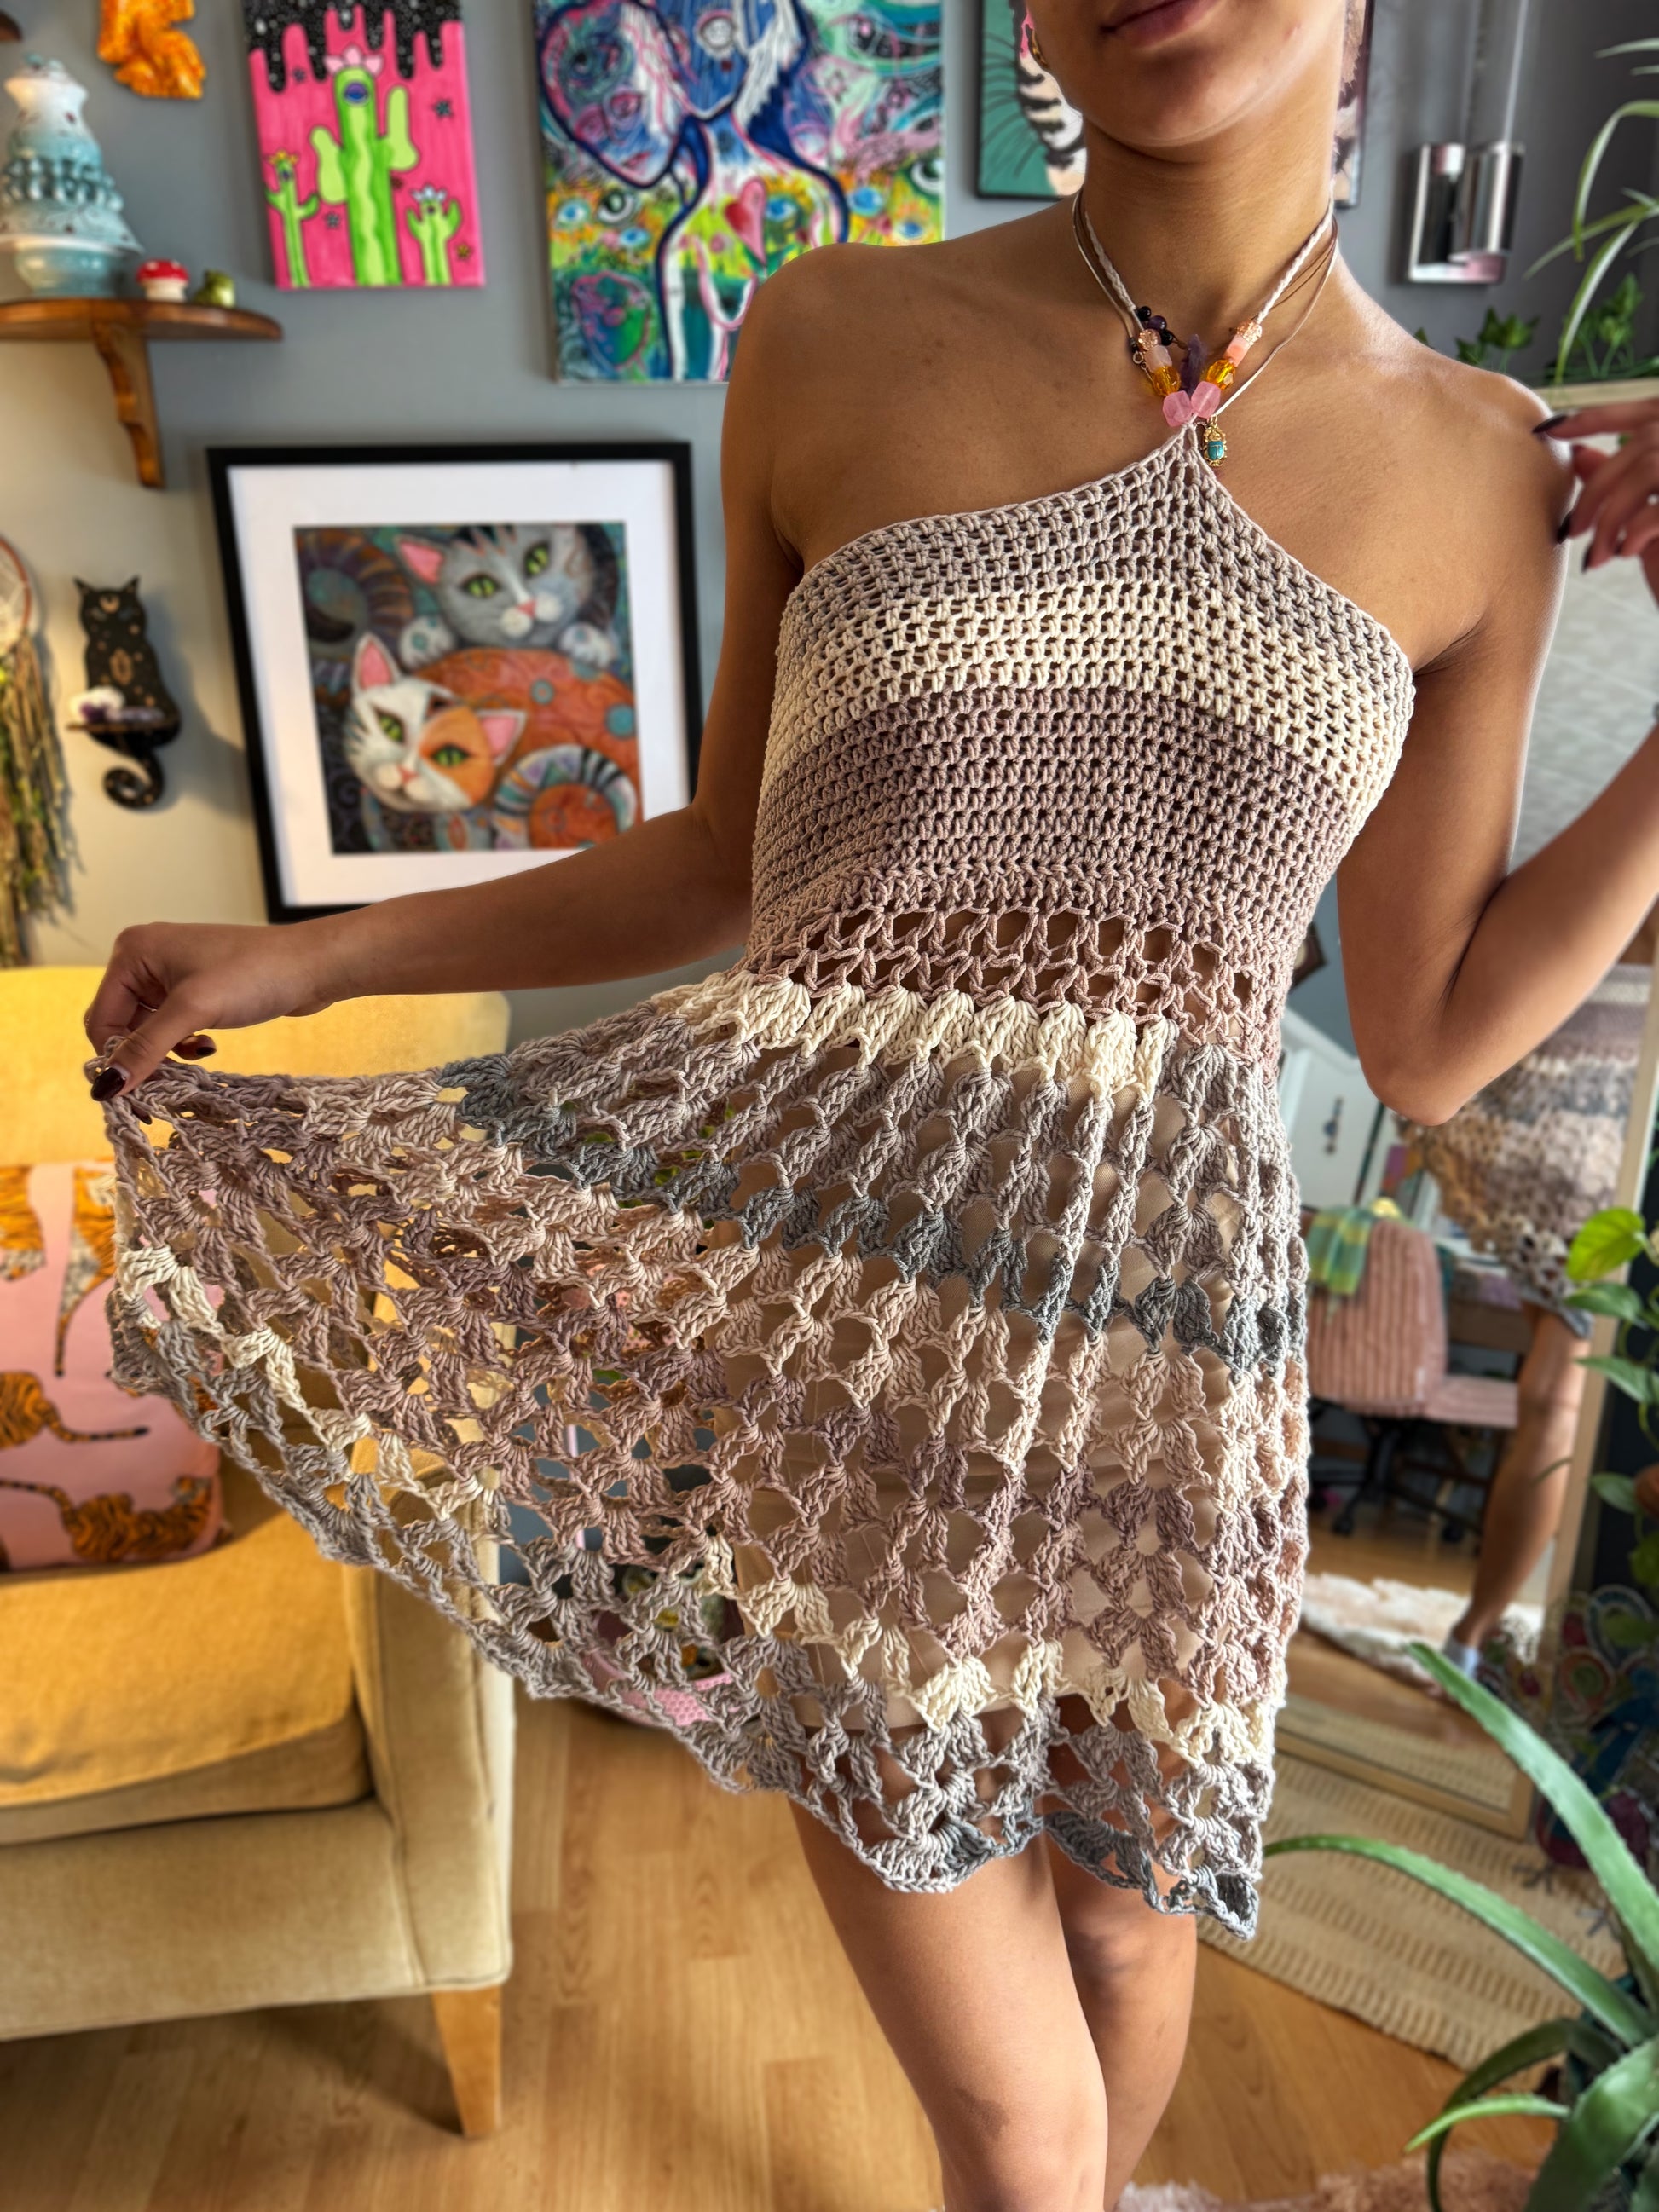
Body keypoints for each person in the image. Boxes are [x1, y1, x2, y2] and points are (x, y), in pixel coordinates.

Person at [79, 3, 1659, 2206]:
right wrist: (313, 955)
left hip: (1161, 1338)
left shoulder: (1480, 460)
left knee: (1127, 1917)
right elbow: (727, 860)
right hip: (834, 1324)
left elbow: (1427, 1037)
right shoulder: (833, 332)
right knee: (1009, 2106)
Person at [1414, 915, 1656, 1671]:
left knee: (1551, 1400)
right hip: (1543, 1126)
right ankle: (1478, 1632)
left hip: (1617, 1159)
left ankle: (1474, 1634)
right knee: (1548, 1404)